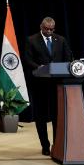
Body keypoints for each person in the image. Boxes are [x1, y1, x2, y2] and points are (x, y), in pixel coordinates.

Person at [25, 17, 73, 156]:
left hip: (57, 85)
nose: (49, 31)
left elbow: (68, 57)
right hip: (39, 85)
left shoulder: (61, 40)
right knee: (41, 117)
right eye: (47, 29)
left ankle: (57, 144)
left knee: (57, 116)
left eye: (52, 29)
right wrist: (39, 68)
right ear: (41, 26)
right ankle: (45, 145)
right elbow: (28, 59)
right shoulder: (31, 40)